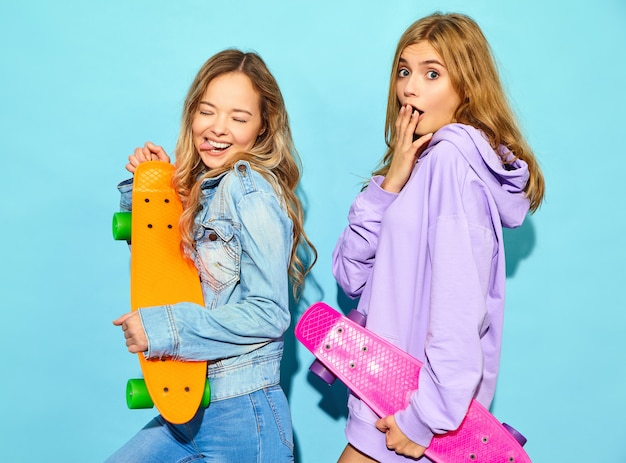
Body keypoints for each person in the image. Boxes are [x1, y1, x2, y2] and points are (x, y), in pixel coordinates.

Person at [332, 12, 545, 462]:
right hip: (384, 395)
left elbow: (459, 309)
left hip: (409, 413)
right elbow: (351, 279)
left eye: (433, 74)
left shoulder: (451, 162)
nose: (411, 87)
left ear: (466, 86)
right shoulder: (417, 167)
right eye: (405, 72)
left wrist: (422, 420)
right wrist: (389, 184)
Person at [106, 49, 316, 463]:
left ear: (262, 128)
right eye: (207, 111)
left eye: (239, 118)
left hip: (243, 412)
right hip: (185, 406)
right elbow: (168, 272)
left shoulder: (250, 189)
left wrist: (165, 329)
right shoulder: (207, 189)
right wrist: (153, 195)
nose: (217, 129)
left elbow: (269, 313)